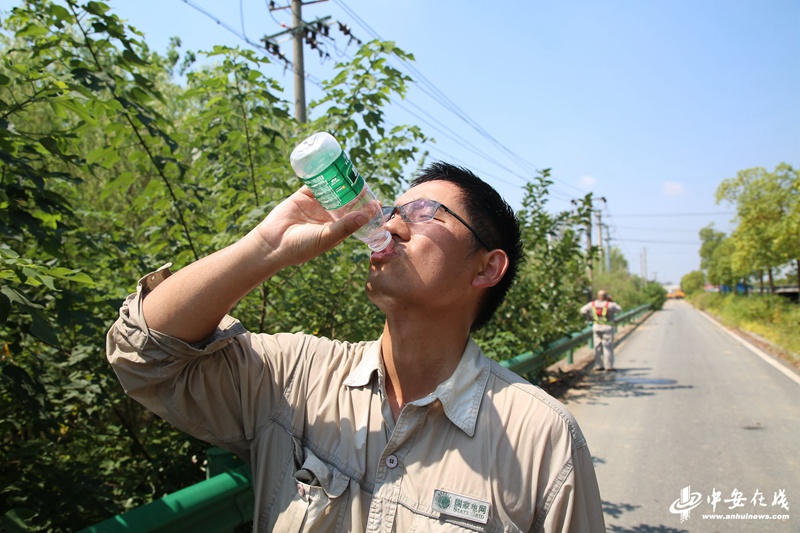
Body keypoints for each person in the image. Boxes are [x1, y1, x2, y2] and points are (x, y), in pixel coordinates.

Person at [107, 161, 605, 532]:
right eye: (391, 210)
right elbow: (143, 354)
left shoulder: (541, 439)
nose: (390, 225)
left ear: (486, 268)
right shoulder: (295, 377)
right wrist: (266, 247)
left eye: (425, 212)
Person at [580, 290, 623, 371]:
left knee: (597, 346)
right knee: (608, 346)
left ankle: (598, 365)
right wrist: (611, 300)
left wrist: (589, 317)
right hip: (607, 326)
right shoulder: (610, 305)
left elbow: (582, 310)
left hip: (596, 326)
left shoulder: (592, 304)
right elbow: (619, 310)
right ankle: (609, 366)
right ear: (606, 296)